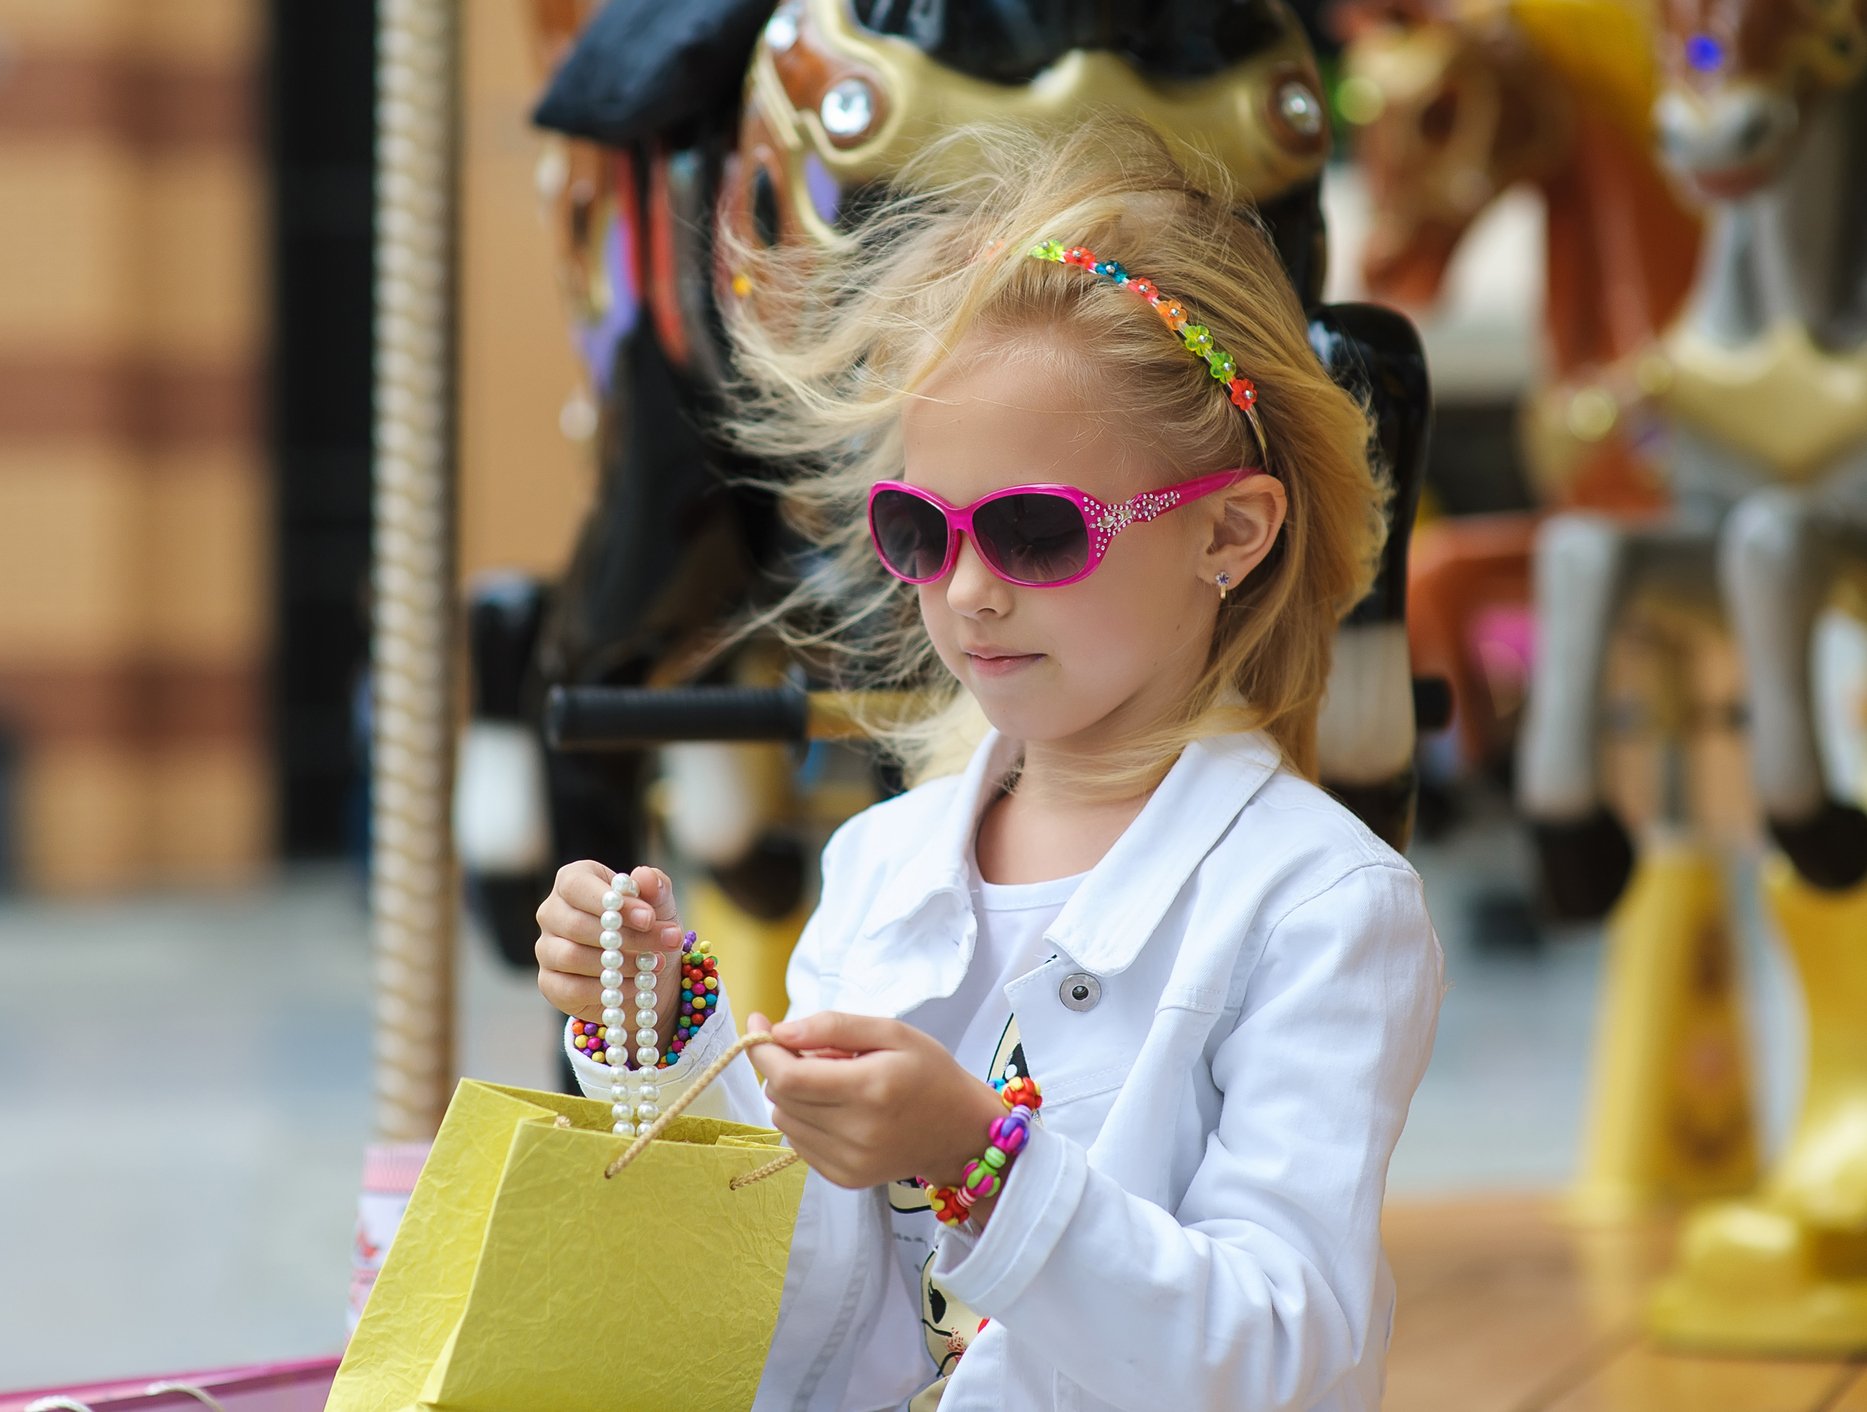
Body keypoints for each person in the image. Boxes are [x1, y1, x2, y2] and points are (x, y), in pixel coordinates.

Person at [532, 113, 1448, 1412]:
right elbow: (797, 1301)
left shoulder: (1322, 906)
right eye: (919, 528)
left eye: (1032, 532)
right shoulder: (882, 861)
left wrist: (982, 1160)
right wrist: (664, 1024)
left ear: (1229, 535)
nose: (966, 593)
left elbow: (1274, 1348)